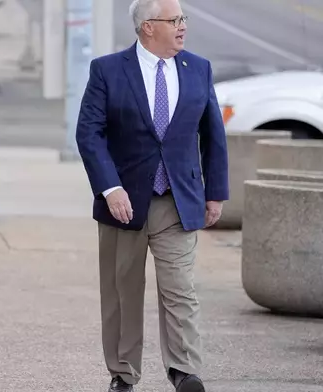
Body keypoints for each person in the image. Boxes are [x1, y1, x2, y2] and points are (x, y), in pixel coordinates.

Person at [75, 0, 228, 391]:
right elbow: (89, 134)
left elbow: (213, 136)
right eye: (173, 20)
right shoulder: (108, 70)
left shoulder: (199, 69)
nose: (182, 27)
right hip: (124, 203)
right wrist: (110, 188)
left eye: (183, 19)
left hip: (178, 200)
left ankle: (184, 370)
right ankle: (123, 374)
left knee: (180, 289)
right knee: (123, 293)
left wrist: (215, 193)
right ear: (146, 27)